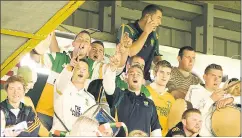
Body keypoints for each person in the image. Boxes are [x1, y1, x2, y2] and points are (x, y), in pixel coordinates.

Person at [36, 30, 92, 131]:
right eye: (80, 39)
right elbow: (37, 58)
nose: (83, 42)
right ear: (73, 43)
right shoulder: (60, 57)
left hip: (68, 119)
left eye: (86, 41)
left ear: (89, 47)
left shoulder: (92, 67)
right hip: (45, 111)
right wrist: (38, 47)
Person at [103, 64, 161, 136]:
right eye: (131, 73)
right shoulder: (119, 95)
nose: (135, 76)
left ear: (143, 80)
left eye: (138, 74)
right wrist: (111, 69)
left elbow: (156, 129)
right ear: (126, 79)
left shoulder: (150, 104)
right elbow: (108, 88)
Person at [185, 64, 240, 136]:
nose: (216, 80)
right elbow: (192, 117)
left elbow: (238, 99)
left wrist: (231, 99)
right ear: (204, 77)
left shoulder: (221, 92)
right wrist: (211, 99)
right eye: (213, 76)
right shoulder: (195, 90)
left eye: (219, 77)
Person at [116, 4, 163, 82]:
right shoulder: (127, 29)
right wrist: (146, 32)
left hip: (144, 80)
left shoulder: (154, 35)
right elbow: (130, 52)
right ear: (148, 17)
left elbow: (156, 57)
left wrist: (163, 67)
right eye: (158, 18)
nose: (160, 23)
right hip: (125, 78)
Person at [50, 59, 96, 133]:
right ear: (73, 71)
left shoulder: (91, 99)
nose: (81, 71)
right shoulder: (62, 88)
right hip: (58, 134)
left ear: (88, 75)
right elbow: (62, 79)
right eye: (78, 68)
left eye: (84, 69)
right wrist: (69, 67)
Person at [146, 60, 175, 136]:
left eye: (168, 73)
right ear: (155, 73)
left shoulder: (171, 99)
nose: (164, 76)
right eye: (162, 72)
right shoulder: (144, 91)